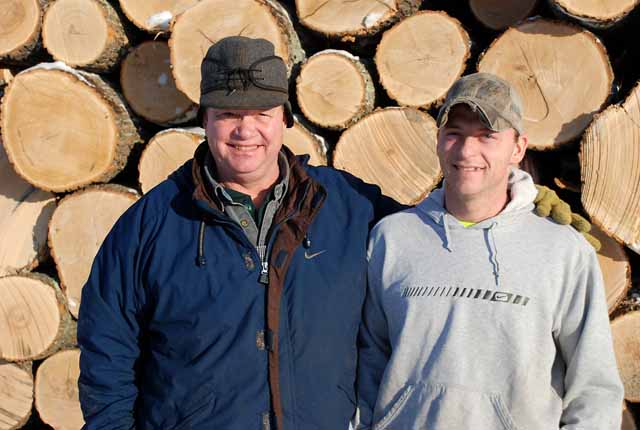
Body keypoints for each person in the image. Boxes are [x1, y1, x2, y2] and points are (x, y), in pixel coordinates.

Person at [77, 37, 586, 430]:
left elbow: (441, 229)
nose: (245, 130)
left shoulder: (344, 206)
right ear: (205, 119)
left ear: (285, 119)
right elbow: (106, 352)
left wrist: (517, 203)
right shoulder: (151, 224)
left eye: (261, 113)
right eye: (229, 114)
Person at [356, 73, 624, 430]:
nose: (467, 151)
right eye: (455, 133)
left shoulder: (563, 250)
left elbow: (595, 389)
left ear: (518, 148)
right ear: (438, 140)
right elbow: (368, 364)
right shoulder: (392, 239)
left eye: (487, 136)